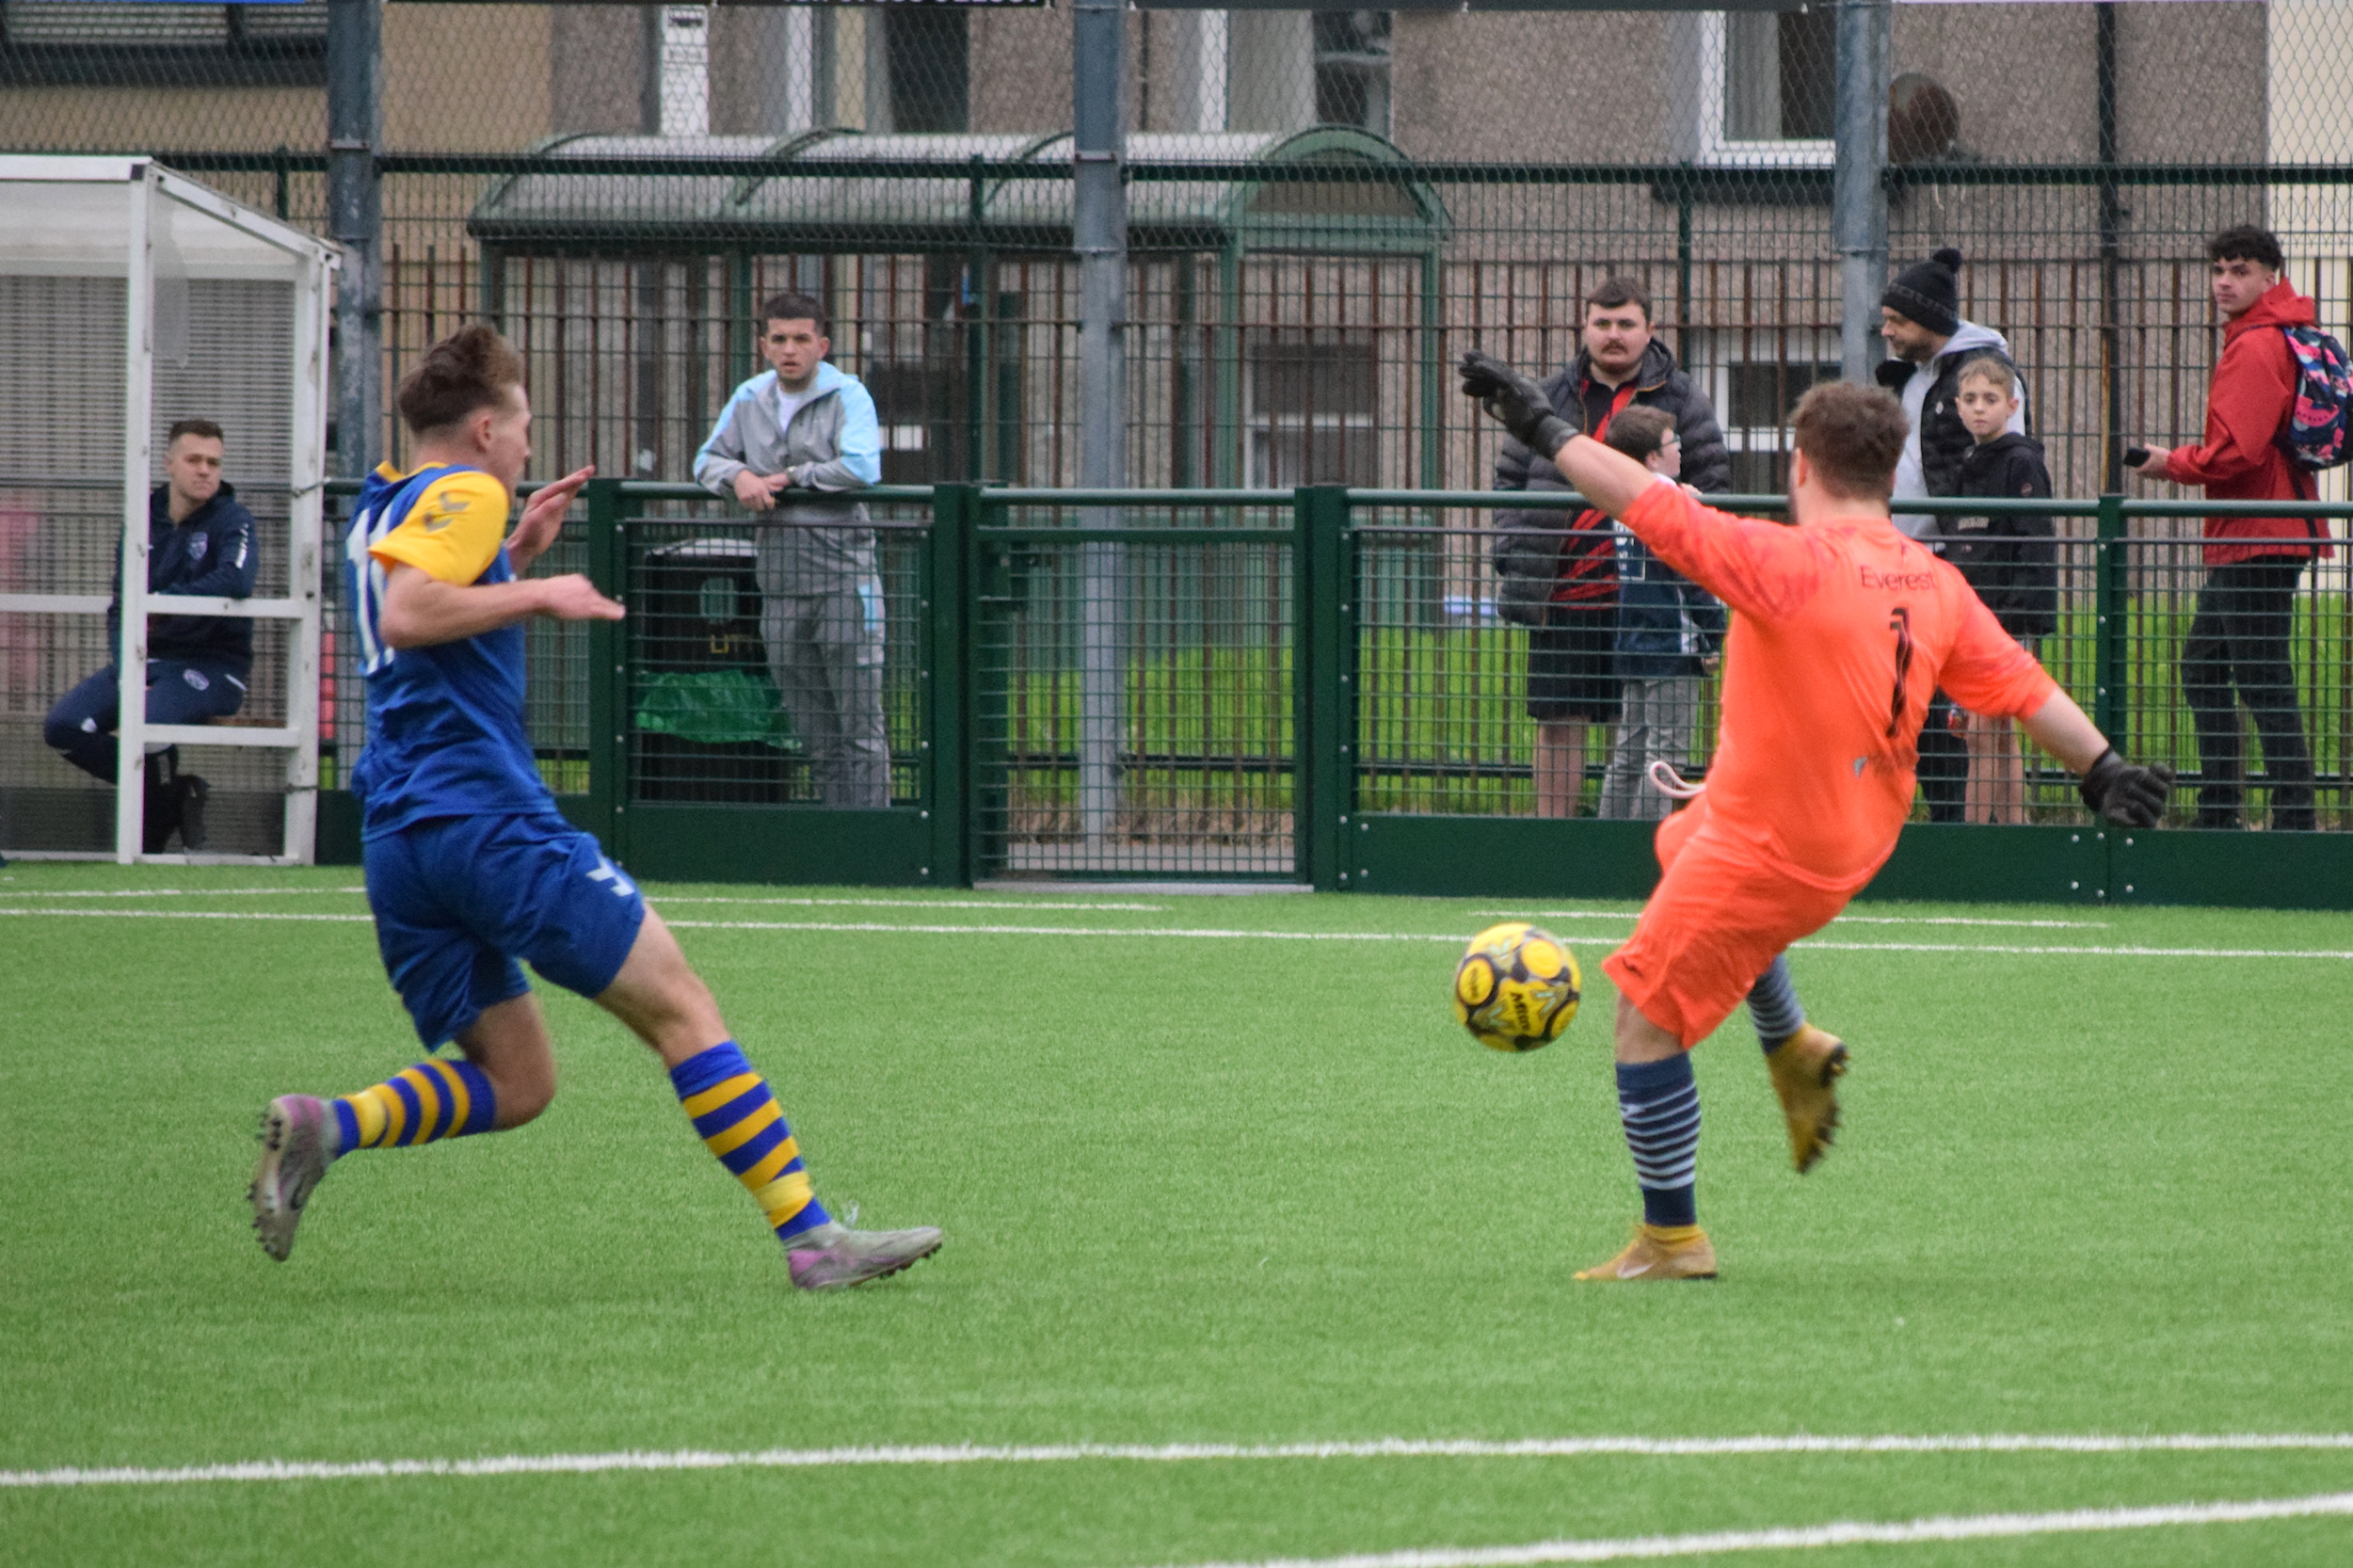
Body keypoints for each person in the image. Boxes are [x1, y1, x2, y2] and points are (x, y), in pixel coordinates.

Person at [248, 324, 939, 1291]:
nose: (528, 445)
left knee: (519, 1081)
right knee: (683, 1009)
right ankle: (814, 1238)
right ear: (485, 430)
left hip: (401, 840)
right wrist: (540, 594)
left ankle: (329, 1126)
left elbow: (412, 606)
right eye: (525, 424)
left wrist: (512, 557)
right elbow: (411, 613)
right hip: (485, 819)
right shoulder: (466, 491)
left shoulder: (390, 500)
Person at [1460, 349, 2172, 1281]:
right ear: (1889, 473)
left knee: (1644, 1018)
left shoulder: (1786, 563)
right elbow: (2023, 684)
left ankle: (1672, 1240)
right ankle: (1790, 1041)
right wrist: (2103, 768)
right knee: (1680, 837)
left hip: (1774, 849)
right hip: (1854, 833)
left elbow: (1642, 500)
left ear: (1800, 465)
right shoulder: (1930, 578)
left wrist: (1543, 429)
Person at [1494, 278, 1729, 819]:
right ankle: (1557, 838)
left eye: (1626, 324)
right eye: (1602, 323)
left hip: (1648, 594)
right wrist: (1513, 549)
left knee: (1637, 730)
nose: (1613, 335)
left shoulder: (1681, 397)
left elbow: (1712, 479)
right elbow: (1508, 480)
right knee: (1559, 721)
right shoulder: (1551, 395)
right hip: (1563, 591)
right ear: (1585, 327)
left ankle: (1633, 842)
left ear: (1650, 330)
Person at [2130, 225, 2330, 832]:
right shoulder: (2270, 335)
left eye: (2239, 271)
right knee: (2206, 668)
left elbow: (2238, 451)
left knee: (2261, 677)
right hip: (2259, 530)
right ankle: (2224, 810)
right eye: (2218, 270)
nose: (2224, 282)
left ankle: (2291, 820)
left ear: (2269, 276)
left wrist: (2172, 463)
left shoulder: (2256, 345)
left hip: (2259, 534)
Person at [693, 291, 889, 808]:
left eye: (801, 339)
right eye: (779, 339)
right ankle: (835, 833)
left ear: (822, 345)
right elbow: (706, 460)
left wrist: (794, 477)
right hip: (779, 589)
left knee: (861, 729)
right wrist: (738, 477)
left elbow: (862, 466)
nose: (789, 349)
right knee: (814, 733)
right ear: (763, 345)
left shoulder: (849, 396)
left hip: (846, 584)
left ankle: (872, 837)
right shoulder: (748, 398)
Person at [42, 418, 255, 852]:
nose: (205, 471)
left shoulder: (233, 518)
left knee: (146, 722)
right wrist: (127, 669)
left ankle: (155, 822)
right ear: (168, 463)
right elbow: (123, 603)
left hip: (212, 665)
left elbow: (236, 579)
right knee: (62, 727)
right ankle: (169, 797)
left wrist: (164, 601)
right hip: (147, 658)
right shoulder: (143, 518)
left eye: (214, 462)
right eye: (194, 460)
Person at [1876, 248, 2028, 824]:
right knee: (1919, 701)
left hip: (1959, 563)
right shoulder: (1919, 376)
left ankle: (1973, 830)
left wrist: (1969, 549)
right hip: (1915, 556)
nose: (1887, 331)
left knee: (1971, 715)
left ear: (1931, 320)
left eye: (1898, 320)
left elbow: (1998, 469)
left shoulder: (1979, 374)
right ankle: (1956, 822)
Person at [1593, 407, 1724, 823]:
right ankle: (1648, 845)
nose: (1680, 449)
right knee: (1665, 757)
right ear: (1652, 457)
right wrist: (1714, 633)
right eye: (1673, 443)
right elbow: (1691, 574)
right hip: (1671, 643)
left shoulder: (1625, 498)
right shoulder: (1671, 501)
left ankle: (1609, 837)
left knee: (1628, 753)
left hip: (1633, 638)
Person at [1945, 354, 2057, 825]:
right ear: (1956, 405)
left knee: (1984, 731)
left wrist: (2019, 613)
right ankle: (2014, 829)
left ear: (2012, 405)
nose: (1979, 408)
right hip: (1973, 613)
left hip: (2004, 616)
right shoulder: (1968, 464)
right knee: (1993, 732)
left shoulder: (2021, 461)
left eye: (1990, 399)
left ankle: (1977, 838)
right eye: (1970, 399)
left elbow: (2035, 542)